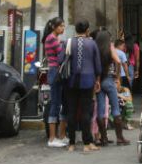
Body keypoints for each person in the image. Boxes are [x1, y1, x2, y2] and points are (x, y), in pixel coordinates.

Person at [62, 20, 102, 153]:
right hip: (88, 81)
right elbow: (97, 65)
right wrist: (97, 80)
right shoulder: (92, 43)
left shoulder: (68, 42)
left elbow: (61, 60)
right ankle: (87, 143)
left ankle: (72, 143)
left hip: (71, 81)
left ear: (76, 30)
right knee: (86, 112)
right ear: (87, 30)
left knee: (71, 112)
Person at [92, 28, 129, 146]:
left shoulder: (95, 48)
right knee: (115, 109)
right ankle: (120, 138)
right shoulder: (110, 47)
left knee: (101, 110)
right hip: (109, 80)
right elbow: (118, 61)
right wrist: (117, 77)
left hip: (98, 81)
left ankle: (103, 138)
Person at [41, 17, 68, 147]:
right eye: (61, 26)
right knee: (56, 104)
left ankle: (61, 135)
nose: (63, 28)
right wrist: (64, 46)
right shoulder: (51, 38)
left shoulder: (54, 38)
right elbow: (61, 56)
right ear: (54, 27)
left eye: (63, 26)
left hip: (57, 72)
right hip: (55, 72)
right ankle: (52, 138)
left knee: (62, 103)